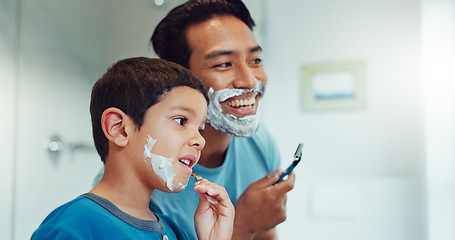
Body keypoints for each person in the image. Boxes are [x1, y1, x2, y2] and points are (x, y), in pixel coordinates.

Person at [32, 57, 235, 240]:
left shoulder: (173, 231)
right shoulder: (75, 225)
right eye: (181, 120)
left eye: (200, 129)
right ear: (119, 129)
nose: (200, 140)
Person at [149, 0, 296, 239]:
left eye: (255, 60)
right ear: (178, 79)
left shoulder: (260, 142)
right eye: (224, 64)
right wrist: (244, 225)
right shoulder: (145, 170)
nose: (249, 81)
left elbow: (266, 236)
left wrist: (258, 225)